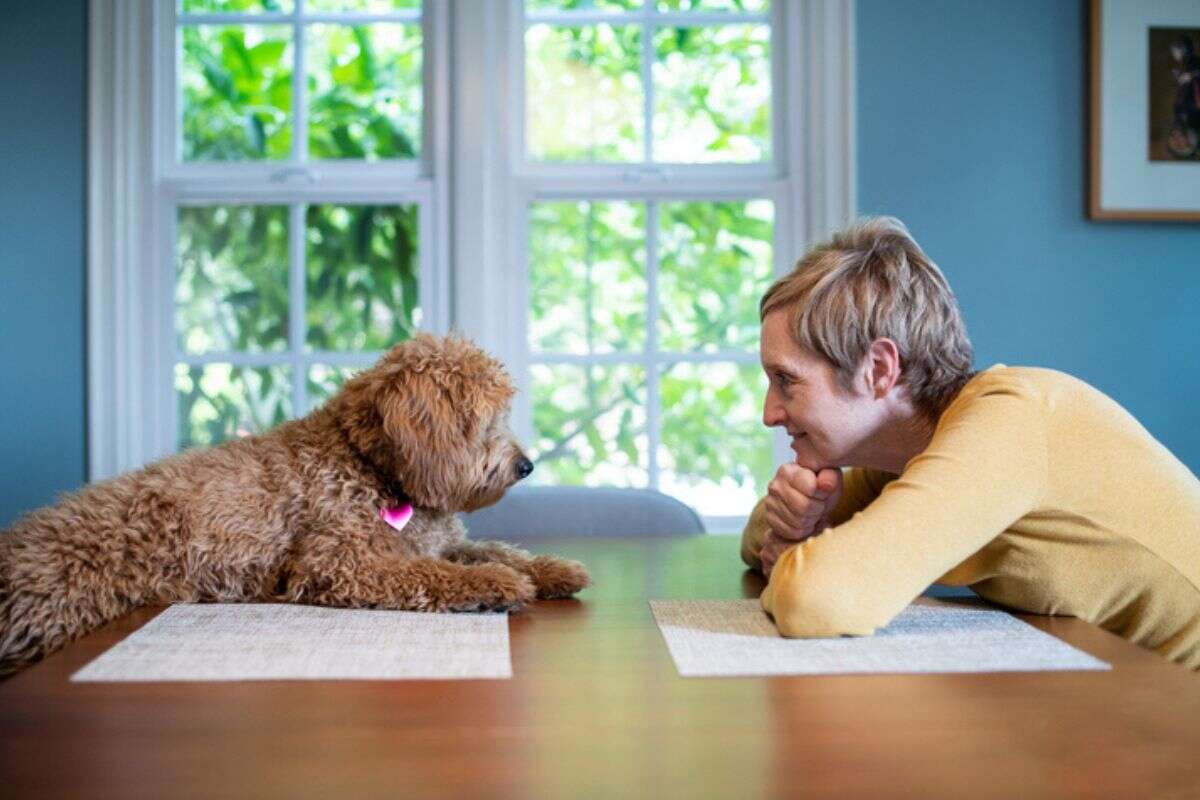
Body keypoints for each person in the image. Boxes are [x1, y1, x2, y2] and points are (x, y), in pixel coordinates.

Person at [741, 217, 1200, 669]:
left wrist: (794, 559)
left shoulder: (1010, 421)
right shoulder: (903, 460)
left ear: (879, 369)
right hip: (1134, 689)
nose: (769, 413)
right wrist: (796, 525)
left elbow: (818, 599)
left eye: (786, 380)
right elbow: (755, 544)